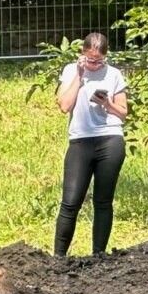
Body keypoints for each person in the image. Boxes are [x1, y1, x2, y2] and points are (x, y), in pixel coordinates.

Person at [53, 32, 129, 256]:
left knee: (103, 201)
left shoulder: (114, 74)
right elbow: (64, 105)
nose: (94, 65)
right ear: (82, 54)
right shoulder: (70, 70)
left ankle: (98, 255)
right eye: (90, 59)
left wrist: (108, 103)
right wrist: (79, 74)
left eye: (99, 61)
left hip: (110, 140)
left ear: (106, 57)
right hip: (80, 140)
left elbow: (123, 113)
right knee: (70, 201)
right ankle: (57, 258)